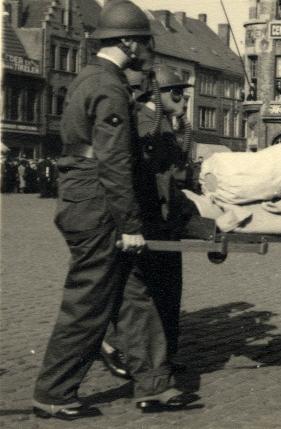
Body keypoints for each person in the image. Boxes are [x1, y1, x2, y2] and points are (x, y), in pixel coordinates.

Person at [31, 1, 199, 420]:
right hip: (98, 205)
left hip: (88, 197)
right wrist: (130, 224)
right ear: (128, 42)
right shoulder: (108, 85)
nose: (148, 51)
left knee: (135, 297)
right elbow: (113, 160)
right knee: (89, 301)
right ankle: (53, 393)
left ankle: (154, 386)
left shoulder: (91, 77)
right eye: (144, 42)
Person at [102, 65, 196, 375]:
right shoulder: (142, 120)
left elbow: (176, 175)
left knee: (169, 287)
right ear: (161, 93)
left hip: (167, 218)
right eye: (179, 94)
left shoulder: (167, 125)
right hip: (146, 216)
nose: (184, 103)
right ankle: (116, 346)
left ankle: (164, 354)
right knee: (139, 289)